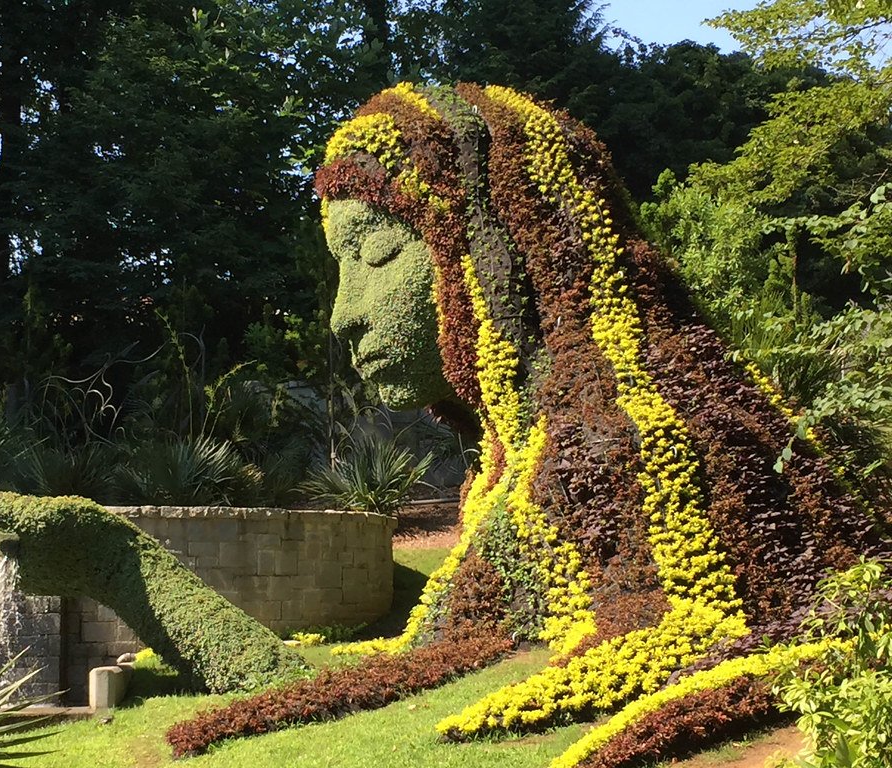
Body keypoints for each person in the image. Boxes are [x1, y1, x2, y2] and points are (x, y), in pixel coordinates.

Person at [315, 82, 890, 758]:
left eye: (378, 254)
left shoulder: (645, 434)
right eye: (342, 266)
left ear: (493, 245)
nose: (343, 313)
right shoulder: (505, 470)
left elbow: (714, 609)